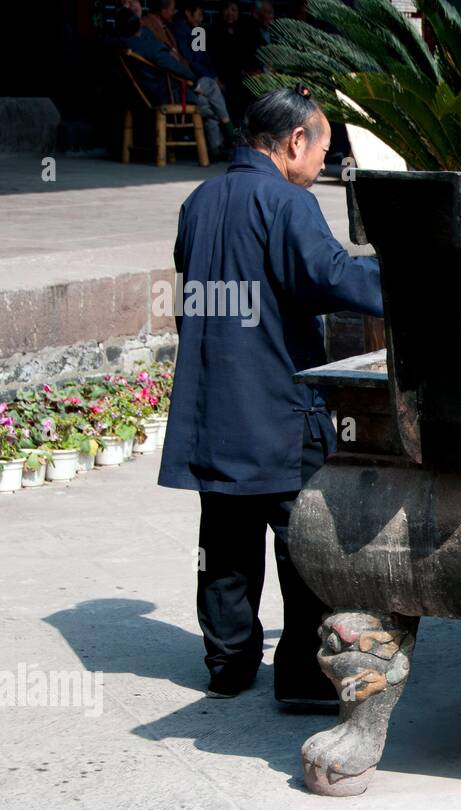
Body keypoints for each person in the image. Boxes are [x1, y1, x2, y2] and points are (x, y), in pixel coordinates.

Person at [161, 87, 385, 704]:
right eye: (323, 148)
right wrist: (412, 279)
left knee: (225, 542)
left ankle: (228, 667)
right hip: (278, 404)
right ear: (294, 142)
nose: (325, 164)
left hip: (216, 402)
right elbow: (330, 276)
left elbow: (193, 303)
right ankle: (304, 678)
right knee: (304, 544)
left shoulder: (198, 202)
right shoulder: (287, 202)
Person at [117, 12, 235, 157]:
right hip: (170, 95)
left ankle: (216, 147)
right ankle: (229, 128)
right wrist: (193, 80)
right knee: (210, 86)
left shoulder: (122, 44)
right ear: (141, 24)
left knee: (208, 103)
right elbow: (174, 67)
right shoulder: (149, 47)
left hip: (146, 94)